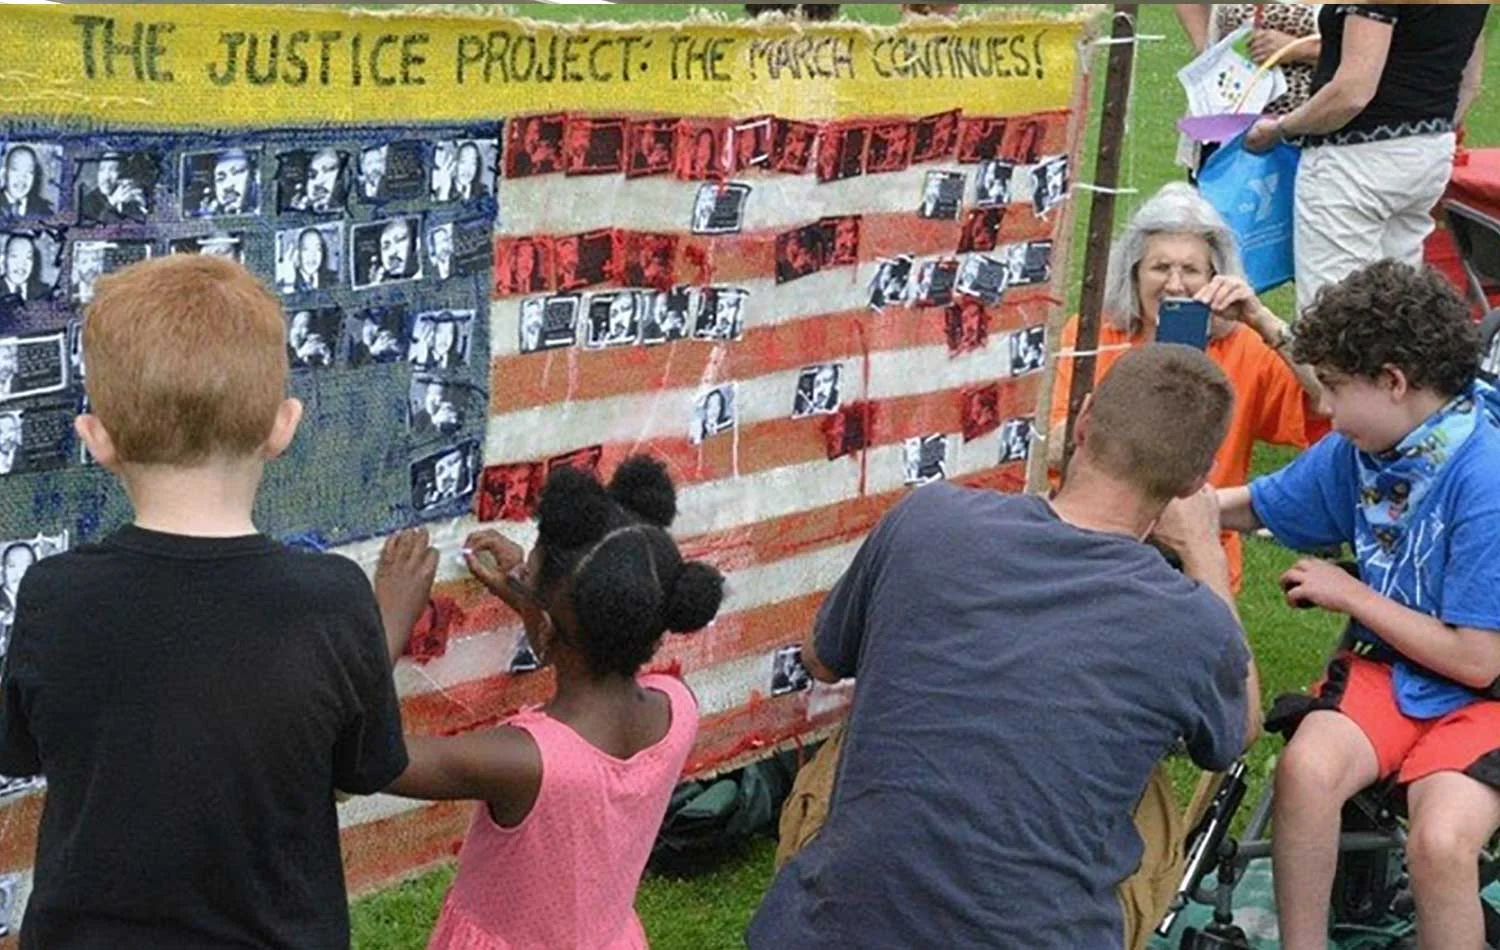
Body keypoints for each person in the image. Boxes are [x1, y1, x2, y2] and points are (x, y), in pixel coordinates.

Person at [748, 345, 1260, 949]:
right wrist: (1202, 547)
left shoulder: (928, 517)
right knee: (1149, 795)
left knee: (865, 733)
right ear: (1197, 480)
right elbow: (1238, 732)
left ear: (1084, 419)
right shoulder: (1194, 622)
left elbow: (821, 659)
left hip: (824, 932)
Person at [0, 254, 407, 947]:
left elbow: (23, 748)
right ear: (283, 425)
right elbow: (362, 769)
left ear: (97, 438)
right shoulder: (335, 599)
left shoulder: (52, 594)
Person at [1216, 261, 1500, 950]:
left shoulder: (1486, 476)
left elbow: (1478, 660)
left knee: (1440, 840)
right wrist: (1162, 505)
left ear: (1394, 382)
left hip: (1486, 693)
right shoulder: (1370, 448)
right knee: (1305, 771)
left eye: (1337, 389)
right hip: (1396, 670)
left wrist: (1351, 595)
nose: (1327, 412)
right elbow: (1257, 505)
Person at [373, 457, 724, 950]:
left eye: (528, 576)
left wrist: (389, 620)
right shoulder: (678, 708)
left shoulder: (523, 762)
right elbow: (597, 637)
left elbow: (368, 757)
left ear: (544, 626)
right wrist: (532, 597)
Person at [1049, 183, 1326, 593]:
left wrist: (1263, 320)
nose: (1175, 285)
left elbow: (1329, 399)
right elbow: (1051, 446)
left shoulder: (1244, 347)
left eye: (1191, 270)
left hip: (1194, 558)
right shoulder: (1092, 335)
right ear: (1134, 273)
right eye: (1160, 267)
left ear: (1216, 278)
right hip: (1094, 543)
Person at [1245, 5, 1487, 315]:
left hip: (1354, 159)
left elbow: (1351, 93)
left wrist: (1281, 129)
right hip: (1428, 151)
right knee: (1399, 306)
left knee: (1334, 314)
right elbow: (1469, 81)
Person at [1174, 4, 1321, 177]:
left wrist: (1301, 49)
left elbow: (1351, 56)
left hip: (1310, 126)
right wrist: (1206, 52)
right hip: (1226, 116)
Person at [78, 153, 148, 224]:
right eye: (102, 169)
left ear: (124, 173)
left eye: (114, 170)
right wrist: (112, 202)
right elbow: (96, 228)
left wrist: (144, 207)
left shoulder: (137, 194)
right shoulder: (87, 203)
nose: (105, 178)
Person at [1, 147, 54, 219]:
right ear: (4, 173)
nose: (22, 177)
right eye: (15, 169)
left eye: (29, 171)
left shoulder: (44, 211)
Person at [290, 147, 343, 213]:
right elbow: (331, 178)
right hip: (328, 163)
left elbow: (312, 176)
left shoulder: (311, 194)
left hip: (322, 164)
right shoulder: (323, 196)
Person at [288, 227, 337, 293]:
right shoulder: (290, 281)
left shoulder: (333, 279)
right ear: (298, 252)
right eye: (306, 249)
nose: (312, 255)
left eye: (318, 249)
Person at [2, 235, 47, 304]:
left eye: (28, 257)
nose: (21, 264)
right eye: (15, 256)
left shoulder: (44, 293)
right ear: (4, 259)